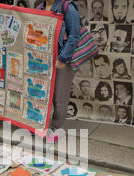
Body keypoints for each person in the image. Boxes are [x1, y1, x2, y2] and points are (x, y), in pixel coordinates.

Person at [38, 0, 80, 143]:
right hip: (43, 58)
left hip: (62, 59)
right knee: (41, 93)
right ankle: (40, 126)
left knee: (59, 96)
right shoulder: (40, 7)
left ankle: (57, 129)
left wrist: (62, 58)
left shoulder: (67, 7)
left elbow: (74, 35)